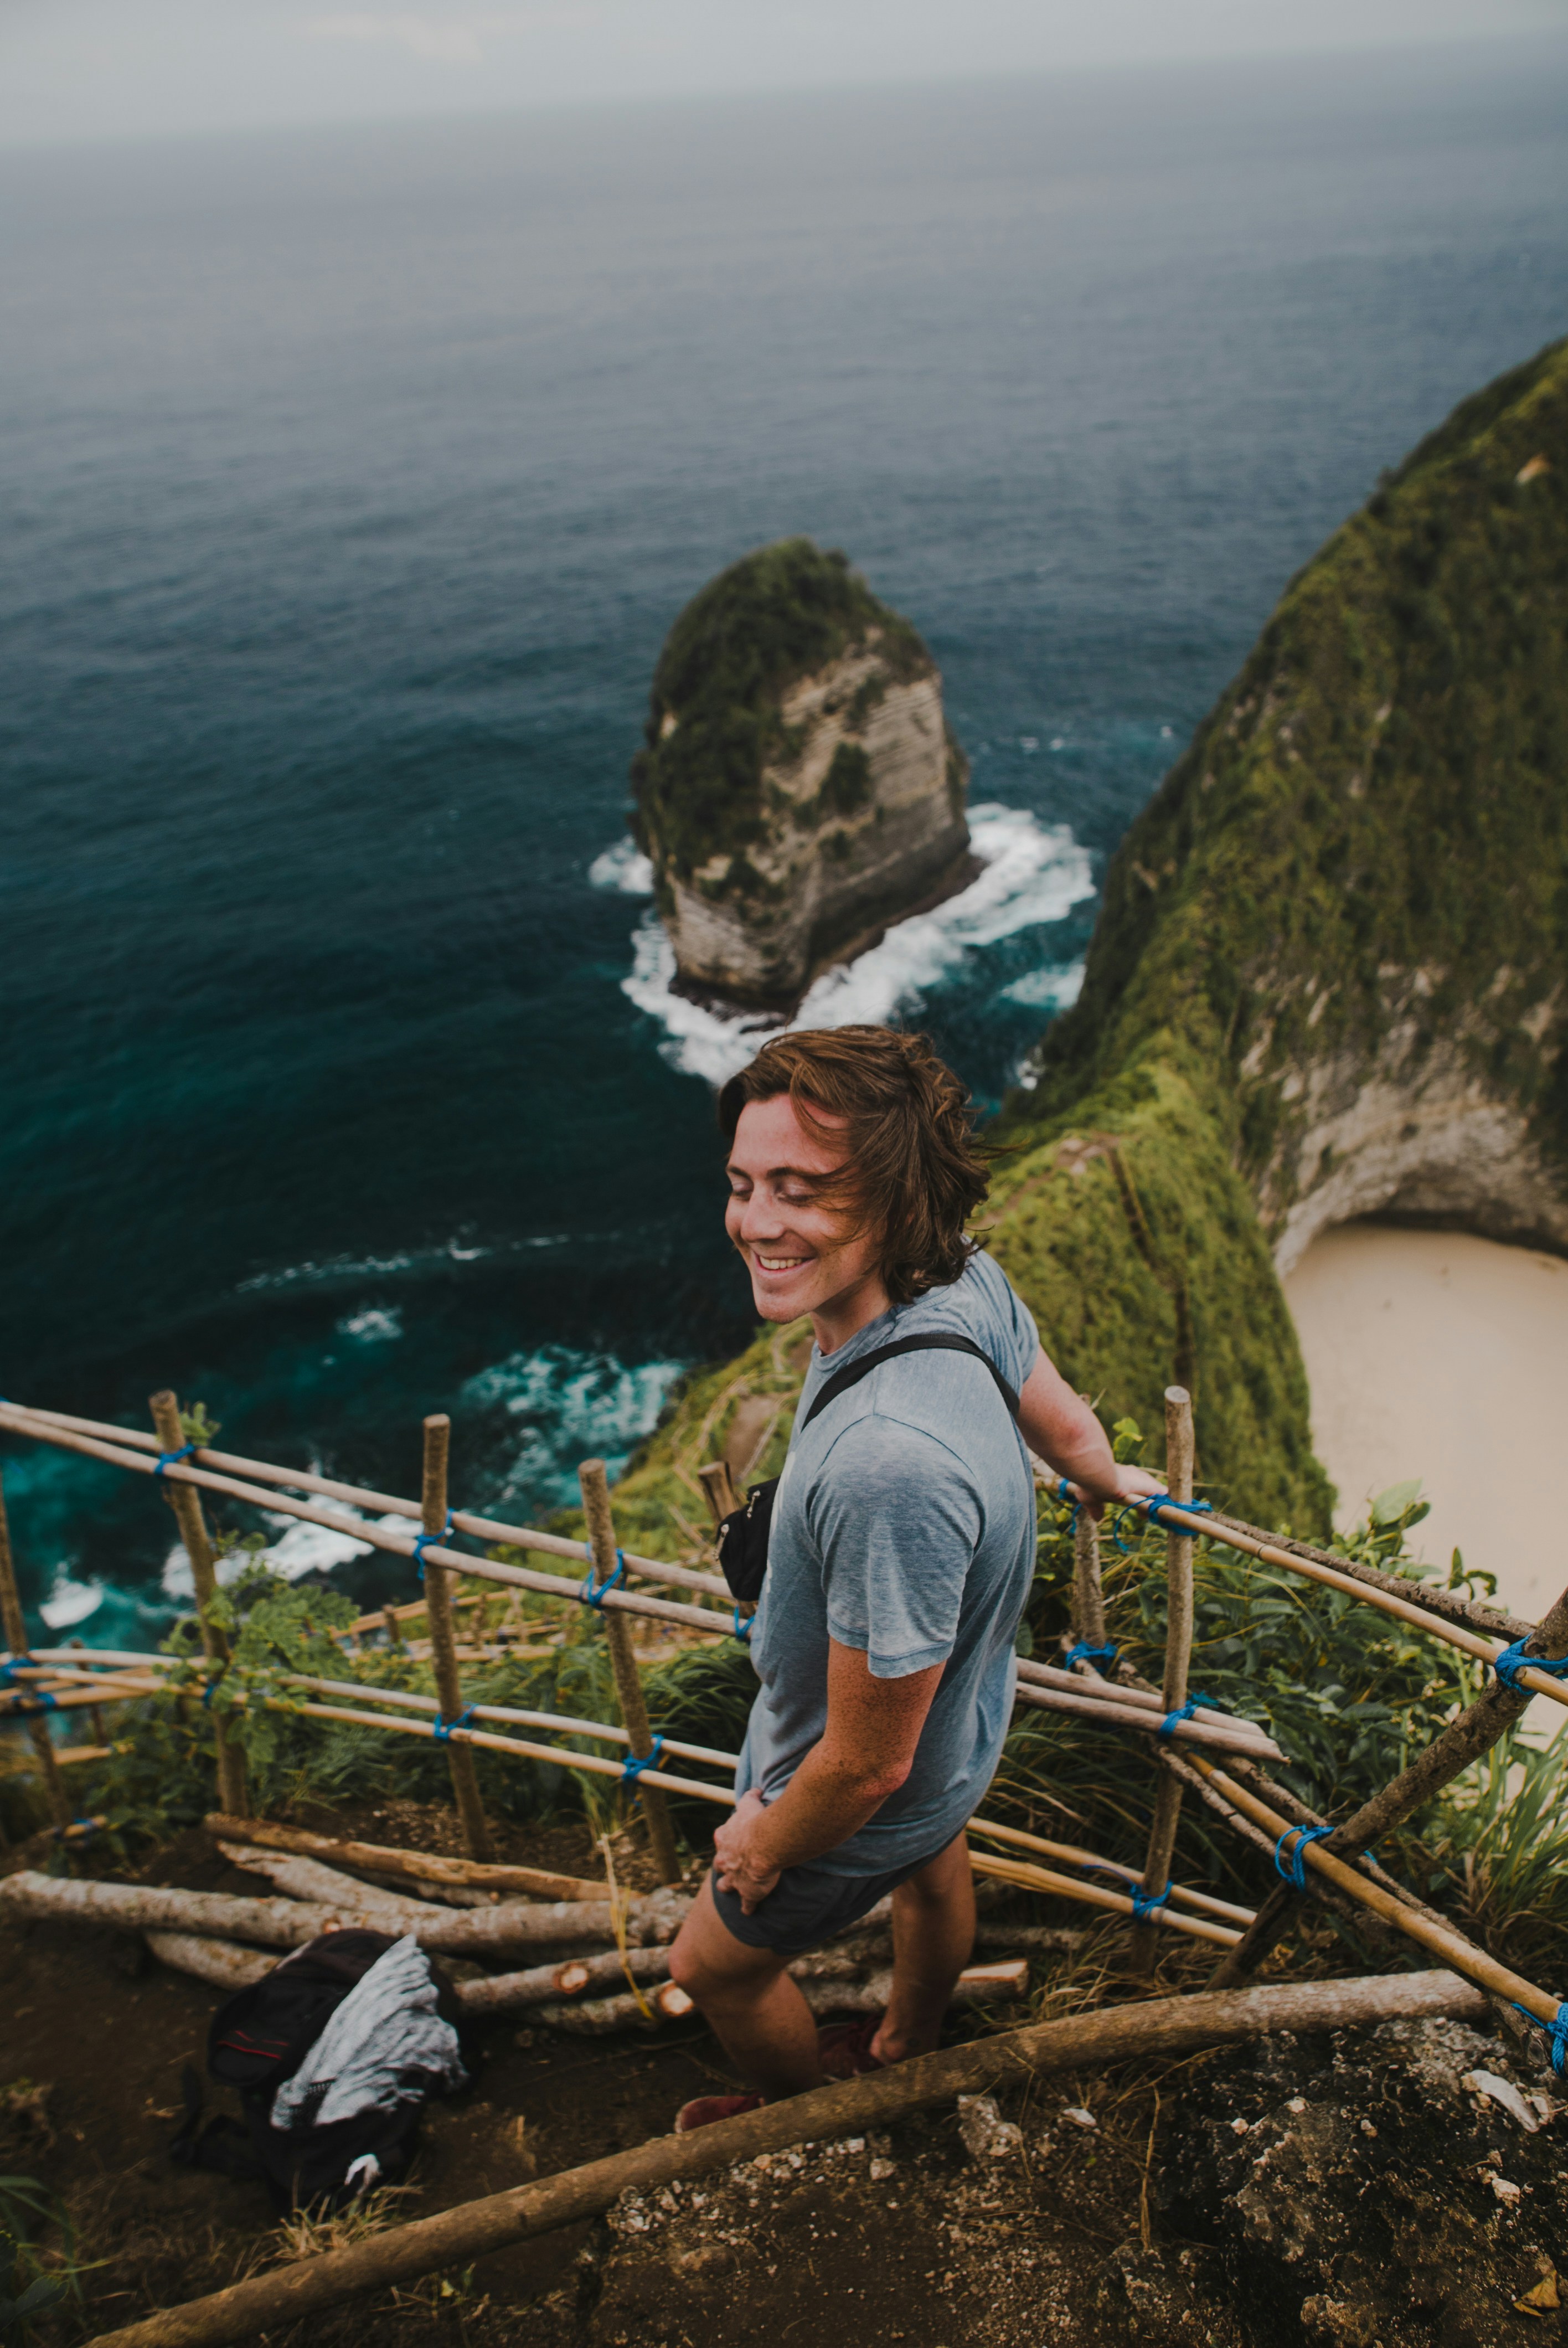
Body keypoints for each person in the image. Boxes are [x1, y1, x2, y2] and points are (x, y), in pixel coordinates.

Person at [667, 1025, 1161, 2131]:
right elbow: (1064, 1415)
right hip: (963, 1729)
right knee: (936, 1873)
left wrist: (764, 1838)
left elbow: (865, 1764)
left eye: (801, 1187)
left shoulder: (890, 1466)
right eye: (745, 1184)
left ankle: (815, 2115)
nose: (756, 1220)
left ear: (891, 1200)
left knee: (712, 1966)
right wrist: (1097, 1475)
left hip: (860, 1781)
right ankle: (908, 2037)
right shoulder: (962, 1275)